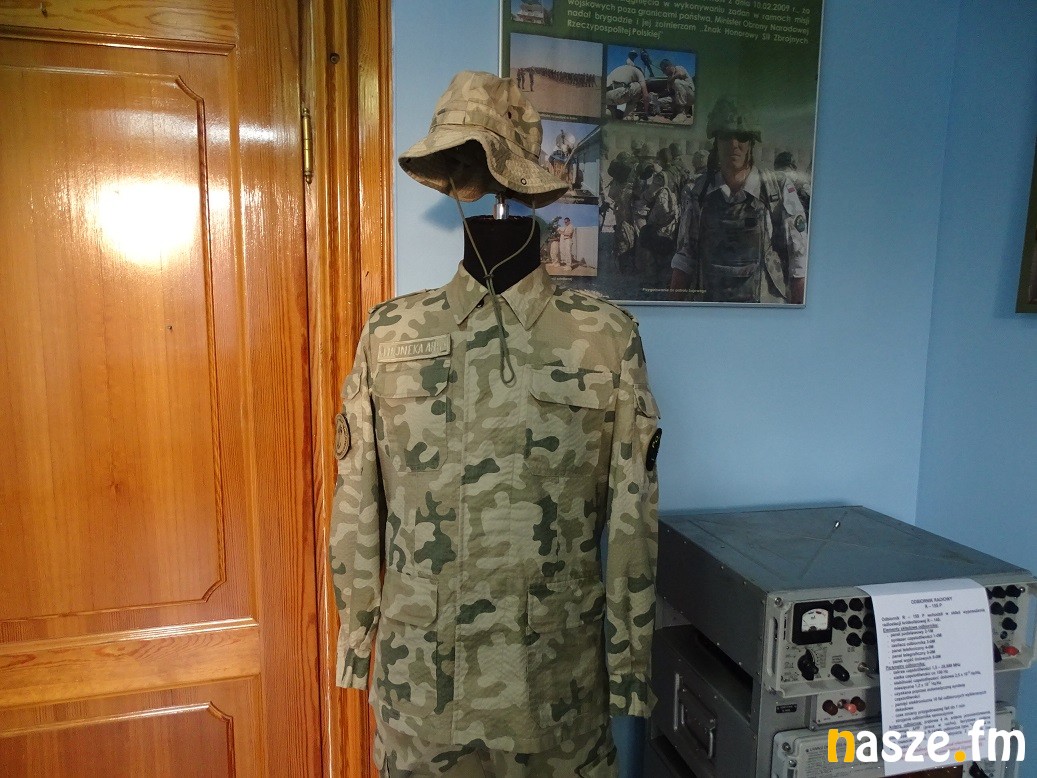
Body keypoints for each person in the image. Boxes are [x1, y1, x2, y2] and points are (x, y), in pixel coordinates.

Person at [669, 96, 808, 303]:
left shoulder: (776, 189)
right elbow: (685, 257)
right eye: (726, 136)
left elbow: (799, 261)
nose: (734, 144)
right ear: (716, 141)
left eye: (741, 136)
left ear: (751, 142)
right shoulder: (698, 191)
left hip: (763, 310)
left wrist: (796, 316)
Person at [605, 51, 649, 120]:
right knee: (638, 86)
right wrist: (646, 112)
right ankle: (627, 115)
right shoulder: (638, 71)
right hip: (620, 93)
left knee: (613, 90)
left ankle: (611, 114)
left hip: (605, 96)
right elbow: (646, 95)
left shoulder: (618, 69)